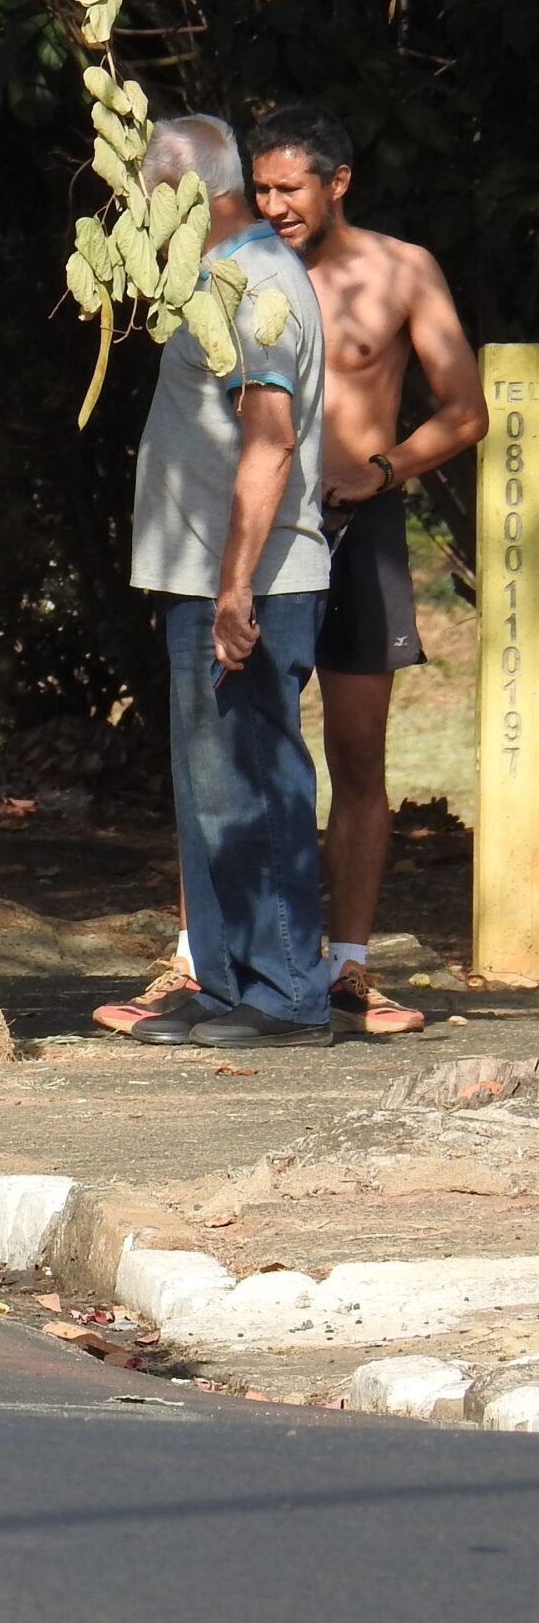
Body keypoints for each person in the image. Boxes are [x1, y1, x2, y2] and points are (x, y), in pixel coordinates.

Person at [249, 103, 488, 1036]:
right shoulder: (234, 271)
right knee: (234, 747)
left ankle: (346, 964)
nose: (274, 205)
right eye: (260, 188)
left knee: (355, 752)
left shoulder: (400, 270)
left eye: (290, 188)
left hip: (359, 521)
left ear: (337, 182)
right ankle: (203, 959)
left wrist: (381, 468)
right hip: (254, 533)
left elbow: (463, 410)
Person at [118, 115, 333, 1050]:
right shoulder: (212, 279)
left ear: (182, 194)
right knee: (209, 788)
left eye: (144, 194)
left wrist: (237, 584)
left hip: (253, 581)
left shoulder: (258, 286)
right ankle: (225, 980)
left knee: (254, 781)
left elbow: (270, 442)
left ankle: (288, 993)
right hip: (201, 576)